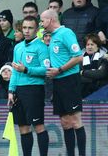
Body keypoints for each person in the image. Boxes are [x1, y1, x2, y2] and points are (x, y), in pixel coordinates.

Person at [42, 8, 87, 156]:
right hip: (58, 82)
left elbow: (78, 57)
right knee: (65, 122)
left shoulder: (66, 33)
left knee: (75, 120)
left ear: (51, 20)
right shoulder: (52, 36)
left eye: (43, 20)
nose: (41, 24)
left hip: (69, 80)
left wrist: (60, 70)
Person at [8, 15, 51, 156]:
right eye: (24, 28)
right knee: (23, 127)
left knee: (38, 126)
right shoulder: (18, 47)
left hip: (34, 90)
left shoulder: (41, 47)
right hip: (18, 91)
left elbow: (46, 70)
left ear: (36, 29)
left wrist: (26, 69)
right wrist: (11, 90)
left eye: (30, 28)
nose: (26, 31)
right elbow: (14, 70)